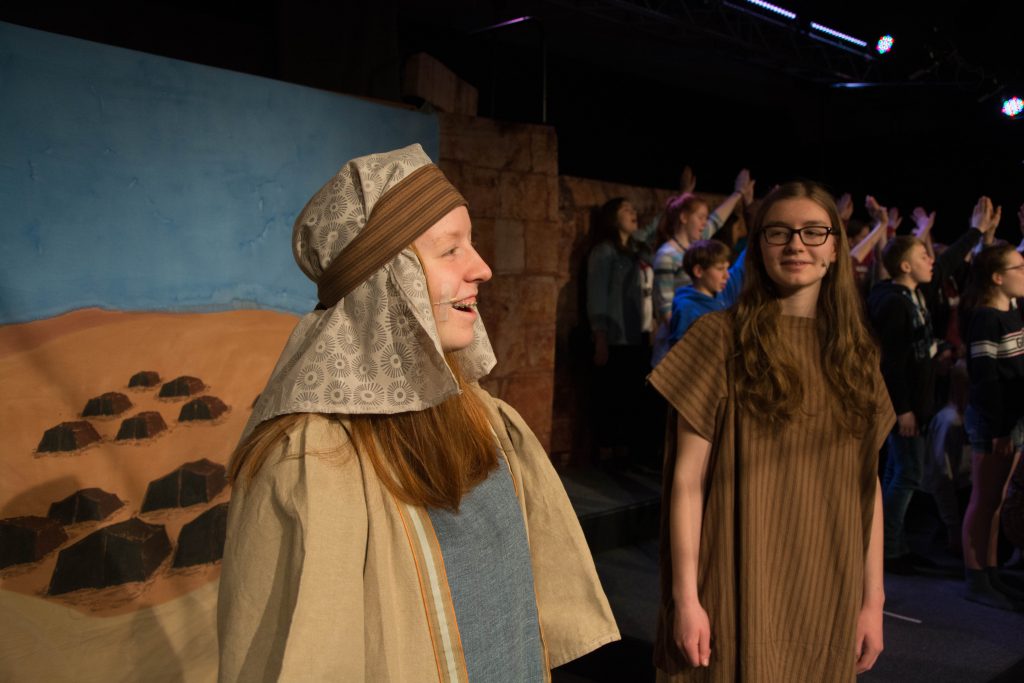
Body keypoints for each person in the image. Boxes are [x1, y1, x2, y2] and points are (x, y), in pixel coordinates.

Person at [217, 144, 619, 681]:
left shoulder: (483, 418)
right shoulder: (312, 463)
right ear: (385, 282)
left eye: (470, 244)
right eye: (450, 250)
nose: (483, 268)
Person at [649, 181, 895, 680]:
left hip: (828, 585)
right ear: (759, 247)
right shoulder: (717, 339)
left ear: (834, 248)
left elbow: (866, 485)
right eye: (779, 232)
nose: (796, 244)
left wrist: (873, 602)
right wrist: (686, 599)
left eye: (812, 232)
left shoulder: (856, 357)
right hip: (735, 582)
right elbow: (687, 482)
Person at [866, 199, 992, 574]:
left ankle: (894, 544)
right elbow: (891, 362)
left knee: (900, 472)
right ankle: (890, 551)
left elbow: (948, 262)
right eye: (923, 257)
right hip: (902, 405)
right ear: (905, 266)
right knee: (907, 474)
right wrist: (903, 408)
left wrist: (977, 232)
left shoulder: (912, 295)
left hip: (913, 401)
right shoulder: (892, 302)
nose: (931, 261)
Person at [959, 242, 1024, 610]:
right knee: (984, 500)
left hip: (1011, 421)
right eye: (1019, 268)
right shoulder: (986, 318)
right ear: (998, 278)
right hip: (993, 422)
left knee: (997, 501)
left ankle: (991, 568)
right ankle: (976, 576)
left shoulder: (1011, 311)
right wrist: (999, 428)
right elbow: (985, 380)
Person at [650, 170, 755, 365]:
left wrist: (739, 193)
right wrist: (691, 339)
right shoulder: (667, 255)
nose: (705, 223)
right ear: (684, 217)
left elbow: (717, 219)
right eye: (700, 217)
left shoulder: (697, 248)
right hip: (678, 349)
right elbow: (665, 309)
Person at [586, 197, 657, 463]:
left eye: (633, 208)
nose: (633, 212)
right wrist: (600, 336)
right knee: (611, 396)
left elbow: (649, 231)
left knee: (630, 396)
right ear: (613, 218)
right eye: (626, 209)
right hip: (615, 336)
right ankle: (607, 454)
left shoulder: (636, 252)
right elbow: (597, 295)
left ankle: (625, 452)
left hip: (637, 334)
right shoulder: (604, 252)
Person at [665, 239, 745, 348]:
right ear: (699, 271)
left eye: (727, 268)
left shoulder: (720, 295)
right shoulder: (687, 309)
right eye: (720, 269)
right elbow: (680, 350)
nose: (726, 275)